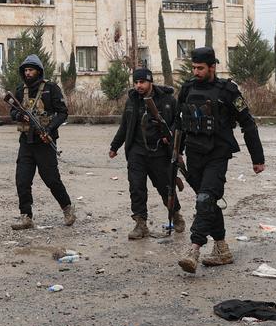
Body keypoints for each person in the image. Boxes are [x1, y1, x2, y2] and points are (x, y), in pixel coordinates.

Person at [175, 46, 266, 273]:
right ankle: (222, 249)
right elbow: (180, 123)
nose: (196, 72)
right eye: (194, 68)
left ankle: (194, 248)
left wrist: (258, 158)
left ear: (213, 67)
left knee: (205, 200)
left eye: (201, 68)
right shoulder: (187, 89)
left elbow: (248, 123)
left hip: (217, 153)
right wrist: (176, 153)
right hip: (194, 154)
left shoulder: (228, 91)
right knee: (208, 203)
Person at [109, 68, 184, 239]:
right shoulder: (132, 100)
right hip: (137, 151)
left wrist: (170, 138)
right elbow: (125, 126)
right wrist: (115, 147)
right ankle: (140, 224)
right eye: (136, 82)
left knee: (166, 187)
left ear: (150, 82)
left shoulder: (167, 100)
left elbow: (178, 124)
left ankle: (176, 215)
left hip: (159, 152)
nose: (138, 86)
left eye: (142, 82)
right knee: (136, 188)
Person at [9, 54, 75, 230]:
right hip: (26, 143)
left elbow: (62, 113)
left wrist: (49, 128)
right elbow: (12, 112)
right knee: (22, 180)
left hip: (45, 142)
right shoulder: (19, 90)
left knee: (51, 179)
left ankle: (67, 208)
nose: (28, 73)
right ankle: (26, 217)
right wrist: (19, 115)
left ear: (38, 71)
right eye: (26, 70)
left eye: (31, 70)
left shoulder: (51, 88)